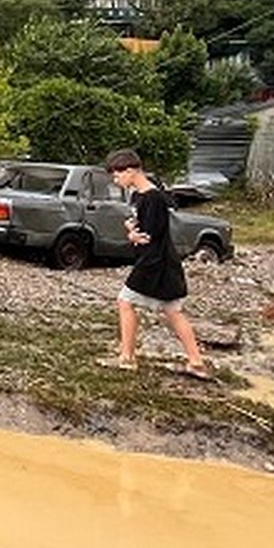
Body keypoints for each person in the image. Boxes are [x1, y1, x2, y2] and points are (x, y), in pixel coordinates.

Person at [104, 148, 210, 379]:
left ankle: (127, 358)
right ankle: (196, 362)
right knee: (172, 310)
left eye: (117, 174)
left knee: (125, 302)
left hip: (155, 261)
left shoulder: (154, 198)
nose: (115, 179)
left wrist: (134, 236)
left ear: (131, 171)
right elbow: (140, 226)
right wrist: (132, 228)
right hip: (158, 260)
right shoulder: (138, 196)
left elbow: (149, 235)